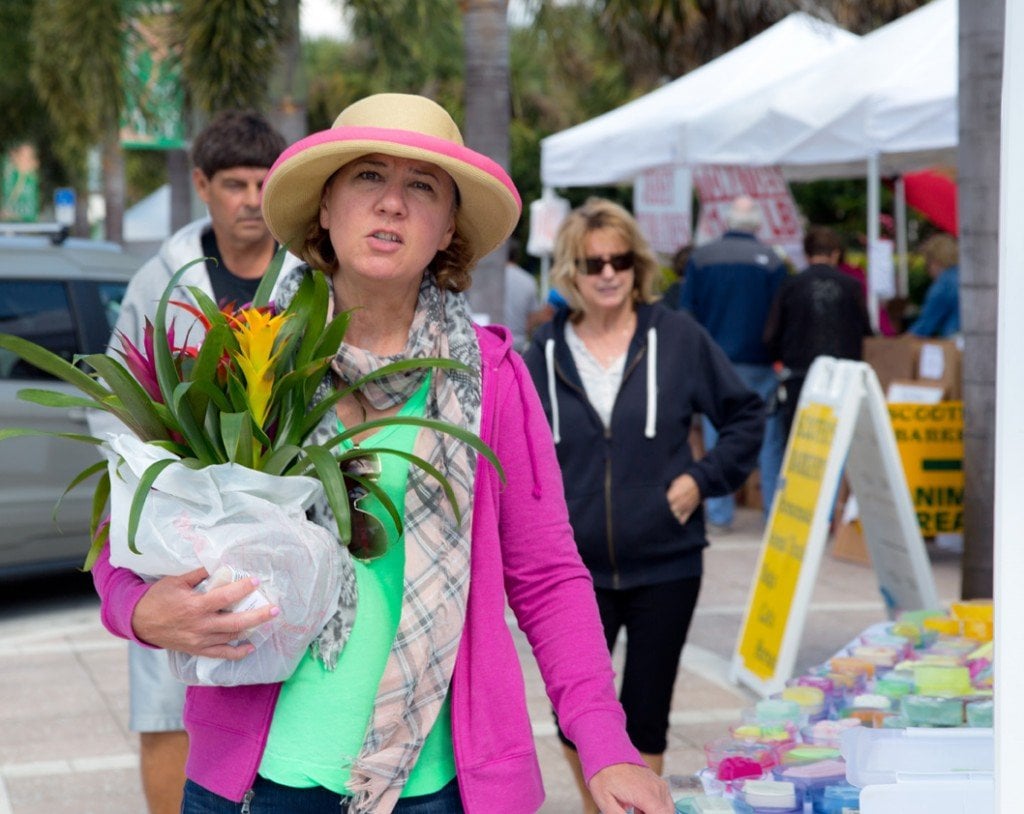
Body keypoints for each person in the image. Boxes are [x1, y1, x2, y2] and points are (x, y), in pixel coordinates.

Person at [91, 93, 673, 814]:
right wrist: (138, 608)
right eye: (367, 177)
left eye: (421, 186)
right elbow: (127, 529)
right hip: (255, 783)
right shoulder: (242, 353)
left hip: (440, 788)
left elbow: (548, 575)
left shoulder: (493, 380)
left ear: (447, 227)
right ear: (326, 209)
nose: (392, 203)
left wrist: (606, 746)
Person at [524, 198, 763, 814]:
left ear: (638, 265)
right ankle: (597, 803)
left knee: (647, 710)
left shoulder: (678, 337)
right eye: (592, 261)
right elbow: (515, 449)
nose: (608, 273)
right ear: (571, 272)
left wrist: (700, 480)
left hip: (666, 561)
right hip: (571, 573)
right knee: (572, 711)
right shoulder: (543, 354)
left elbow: (745, 414)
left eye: (620, 260)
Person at [88, 109, 295, 814]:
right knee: (165, 698)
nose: (250, 200)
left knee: (278, 692)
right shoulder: (163, 278)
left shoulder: (308, 278)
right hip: (180, 525)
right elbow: (115, 393)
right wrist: (141, 496)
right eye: (234, 183)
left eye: (265, 183)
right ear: (202, 185)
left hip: (284, 522)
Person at [680, 195, 787, 527]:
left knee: (716, 435)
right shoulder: (772, 262)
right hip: (761, 363)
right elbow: (781, 316)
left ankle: (719, 513)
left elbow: (686, 314)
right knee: (768, 438)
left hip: (713, 360)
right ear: (757, 223)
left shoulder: (702, 258)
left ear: (727, 221)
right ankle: (772, 512)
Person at [762, 225, 874, 441]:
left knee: (800, 440)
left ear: (807, 253)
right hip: (842, 375)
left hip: (800, 374)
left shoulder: (791, 285)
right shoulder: (851, 286)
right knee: (837, 440)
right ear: (836, 253)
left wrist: (780, 359)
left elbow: (771, 335)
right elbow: (866, 330)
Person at [907, 232, 960, 338]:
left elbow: (924, 326)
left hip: (954, 342)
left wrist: (899, 344)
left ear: (935, 261)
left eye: (927, 263)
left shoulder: (944, 284)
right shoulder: (963, 276)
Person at [504, 237, 548, 353]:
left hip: (492, 342)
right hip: (518, 345)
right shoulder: (528, 280)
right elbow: (533, 317)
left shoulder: (488, 280)